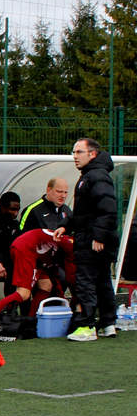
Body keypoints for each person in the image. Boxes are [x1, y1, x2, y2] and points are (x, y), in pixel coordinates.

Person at [66, 138, 118, 341]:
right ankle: (108, 323)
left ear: (92, 154)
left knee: (86, 281)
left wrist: (98, 236)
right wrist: (66, 226)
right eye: (74, 152)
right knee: (103, 281)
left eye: (79, 152)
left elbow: (107, 209)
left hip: (92, 240)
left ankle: (87, 326)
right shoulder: (92, 175)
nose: (75, 156)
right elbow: (84, 213)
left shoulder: (95, 176)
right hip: (93, 237)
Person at [0, 228, 74, 322]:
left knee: (46, 285)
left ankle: (31, 320)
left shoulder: (64, 245)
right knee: (23, 293)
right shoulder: (69, 244)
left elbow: (56, 274)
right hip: (26, 248)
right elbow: (72, 278)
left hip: (34, 253)